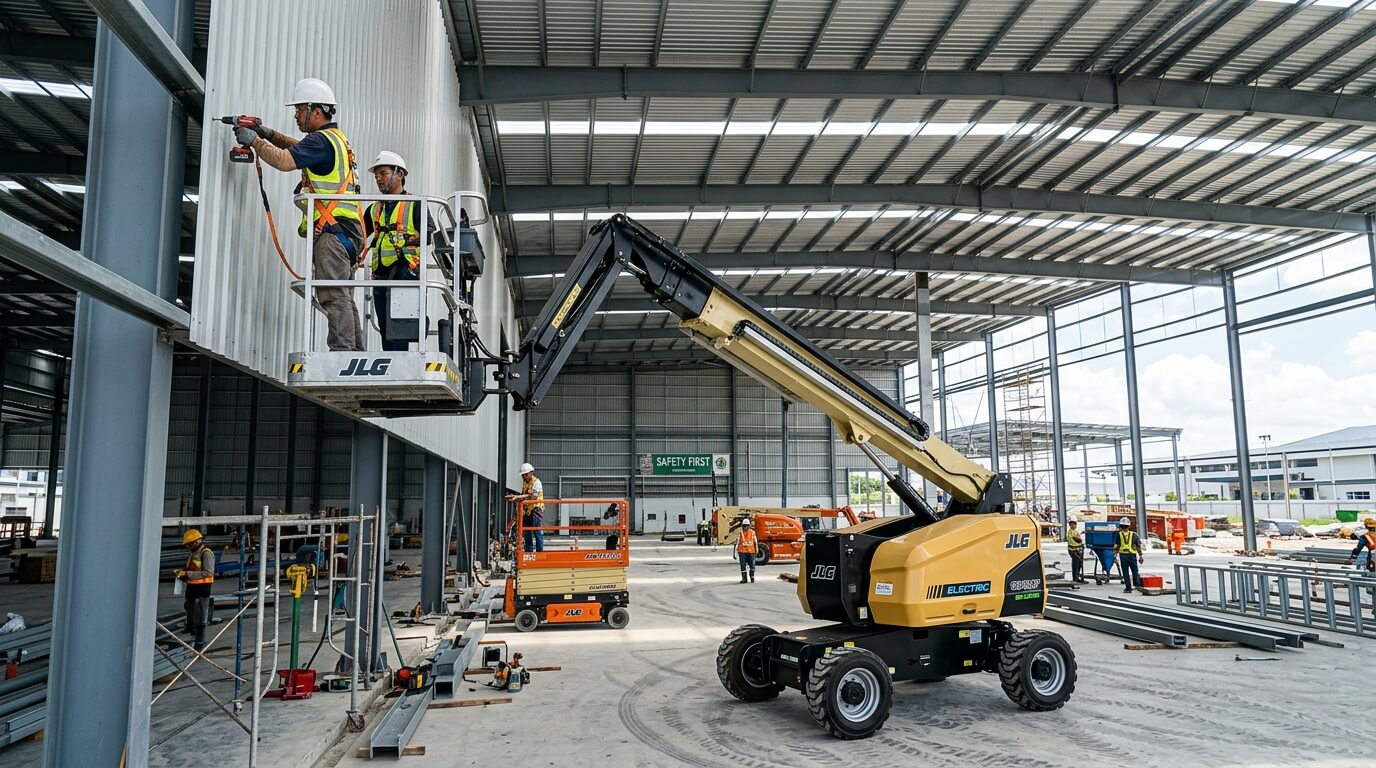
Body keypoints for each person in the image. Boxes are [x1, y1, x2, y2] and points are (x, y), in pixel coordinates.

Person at [235, 78, 364, 351]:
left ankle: (342, 355)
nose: (295, 115)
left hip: (333, 234)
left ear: (316, 111)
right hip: (347, 233)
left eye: (299, 109)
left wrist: (255, 141)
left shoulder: (319, 141)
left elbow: (285, 160)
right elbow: (295, 147)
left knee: (333, 295)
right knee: (343, 296)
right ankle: (355, 354)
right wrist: (267, 133)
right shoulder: (335, 140)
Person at [364, 151, 433, 351]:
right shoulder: (374, 208)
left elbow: (428, 233)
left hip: (406, 272)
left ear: (399, 174)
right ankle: (392, 366)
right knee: (385, 325)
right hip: (381, 274)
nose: (378, 178)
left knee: (401, 325)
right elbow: (360, 233)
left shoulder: (416, 204)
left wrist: (409, 241)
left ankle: (401, 365)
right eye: (376, 175)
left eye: (383, 173)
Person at [175, 529, 216, 652]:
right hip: (192, 591)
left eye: (190, 543)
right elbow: (192, 568)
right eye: (187, 544)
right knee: (191, 613)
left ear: (197, 541)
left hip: (201, 591)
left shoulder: (206, 553)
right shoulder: (193, 553)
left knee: (200, 620)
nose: (188, 546)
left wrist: (188, 574)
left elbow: (208, 572)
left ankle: (199, 645)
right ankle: (192, 637)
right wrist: (182, 573)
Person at [505, 462, 544, 553]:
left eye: (525, 475)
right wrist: (515, 498)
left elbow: (533, 496)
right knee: (527, 531)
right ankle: (528, 550)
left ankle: (539, 552)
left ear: (531, 473)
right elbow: (524, 495)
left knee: (536, 529)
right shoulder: (526, 483)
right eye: (523, 475)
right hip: (528, 510)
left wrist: (518, 497)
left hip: (536, 508)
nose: (523, 477)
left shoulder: (536, 483)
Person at [1113, 516, 1145, 594]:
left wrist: (1115, 556)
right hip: (1132, 555)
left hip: (1123, 555)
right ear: (1129, 525)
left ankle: (1128, 588)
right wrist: (1140, 556)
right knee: (1135, 570)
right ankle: (1137, 585)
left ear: (1120, 526)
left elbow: (1116, 546)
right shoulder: (1134, 535)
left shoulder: (1118, 534)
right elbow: (1138, 546)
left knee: (1125, 572)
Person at [736, 515, 758, 584]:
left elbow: (755, 542)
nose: (745, 527)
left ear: (749, 526)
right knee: (743, 566)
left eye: (746, 526)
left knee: (752, 565)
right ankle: (744, 579)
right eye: (744, 526)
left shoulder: (752, 532)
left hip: (751, 552)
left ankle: (752, 577)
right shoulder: (740, 532)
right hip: (742, 552)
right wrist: (735, 553)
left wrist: (756, 550)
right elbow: (737, 542)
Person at [1065, 520, 1086, 584]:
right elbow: (1077, 539)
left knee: (1079, 564)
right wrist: (1079, 538)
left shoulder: (1075, 531)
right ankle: (1075, 578)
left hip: (1078, 550)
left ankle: (1077, 577)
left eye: (1075, 525)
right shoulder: (1070, 532)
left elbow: (1079, 537)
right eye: (1072, 525)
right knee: (1076, 564)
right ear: (1070, 525)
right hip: (1073, 550)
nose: (1074, 526)